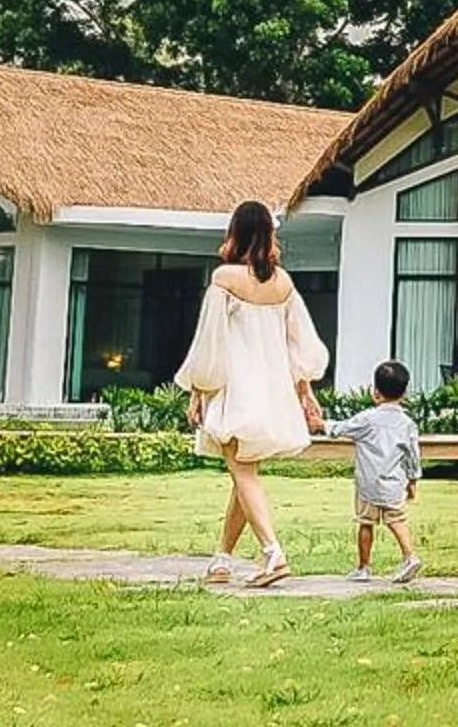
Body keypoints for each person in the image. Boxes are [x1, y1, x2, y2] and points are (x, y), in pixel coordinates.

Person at [173, 200, 328, 587]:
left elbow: (210, 343)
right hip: (273, 392)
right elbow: (300, 344)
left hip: (235, 389)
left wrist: (198, 391)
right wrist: (305, 390)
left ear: (235, 232)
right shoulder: (283, 283)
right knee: (245, 476)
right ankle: (221, 559)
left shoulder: (225, 279)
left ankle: (273, 553)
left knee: (242, 473)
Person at [323, 359, 424, 583]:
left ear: (375, 392)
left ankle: (364, 567)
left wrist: (320, 424)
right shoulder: (407, 424)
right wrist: (413, 480)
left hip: (368, 483)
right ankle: (410, 556)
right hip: (394, 483)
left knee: (365, 523)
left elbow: (341, 428)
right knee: (397, 519)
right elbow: (412, 455)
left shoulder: (367, 419)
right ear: (405, 393)